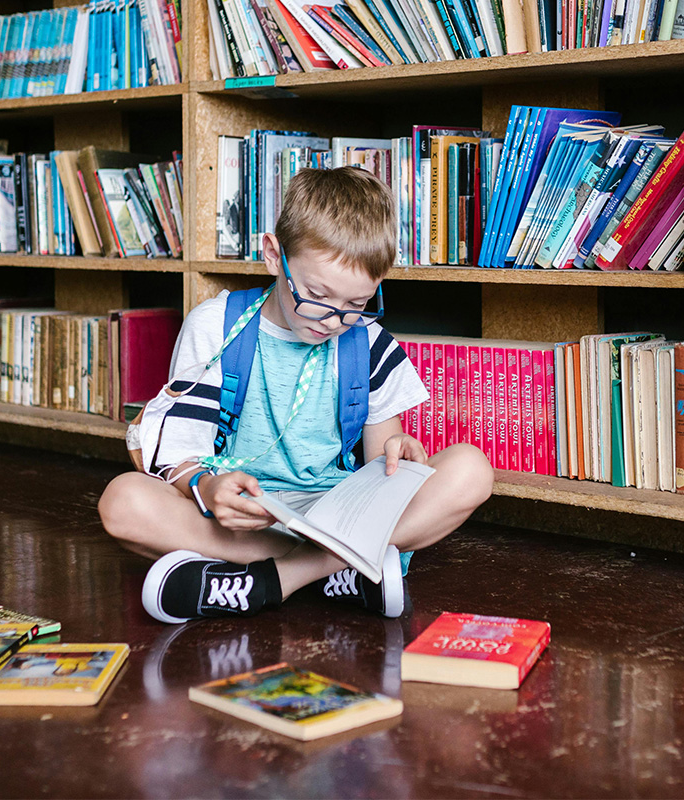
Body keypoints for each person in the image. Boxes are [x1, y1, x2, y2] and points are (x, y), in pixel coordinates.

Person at [98, 167, 494, 624]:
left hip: (336, 514)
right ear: (272, 255)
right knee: (123, 501)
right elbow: (180, 451)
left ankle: (273, 580)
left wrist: (396, 453)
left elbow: (377, 464)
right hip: (249, 517)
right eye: (316, 293)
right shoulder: (215, 325)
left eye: (356, 304)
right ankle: (344, 571)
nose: (331, 318)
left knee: (471, 470)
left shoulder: (367, 342)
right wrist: (206, 488)